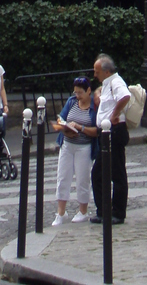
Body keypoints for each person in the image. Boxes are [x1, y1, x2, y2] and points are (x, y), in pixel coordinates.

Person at [51, 75, 98, 225]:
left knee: (83, 179)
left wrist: (80, 128)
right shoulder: (72, 102)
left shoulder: (94, 106)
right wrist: (64, 127)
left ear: (88, 91)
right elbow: (61, 118)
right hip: (67, 144)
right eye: (75, 92)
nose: (77, 96)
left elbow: (97, 130)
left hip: (84, 146)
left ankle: (83, 211)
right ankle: (61, 212)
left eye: (80, 93)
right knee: (63, 177)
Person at [90, 54, 130, 225]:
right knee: (98, 173)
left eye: (97, 71)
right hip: (106, 133)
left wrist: (115, 114)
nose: (94, 74)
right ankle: (104, 210)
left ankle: (118, 212)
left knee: (117, 172)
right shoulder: (107, 83)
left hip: (114, 131)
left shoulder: (116, 82)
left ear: (106, 72)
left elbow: (125, 96)